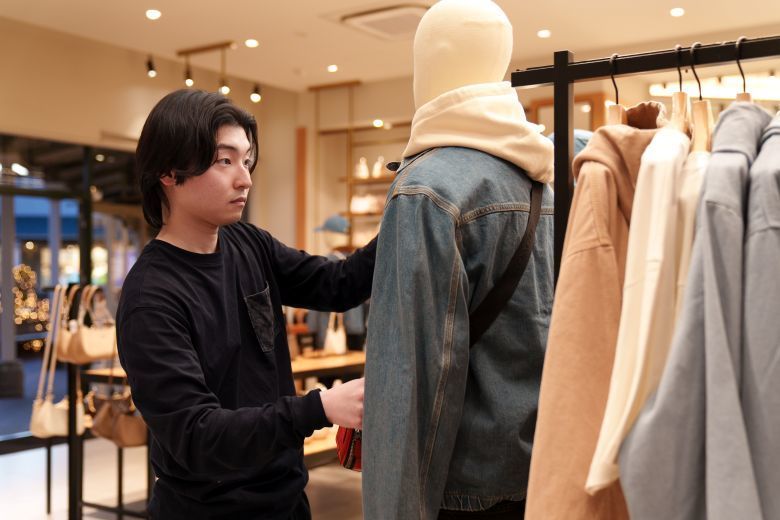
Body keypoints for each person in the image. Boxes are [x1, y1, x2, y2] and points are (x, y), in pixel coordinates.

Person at [116, 89, 375, 519]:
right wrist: (320, 407)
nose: (245, 179)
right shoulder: (151, 297)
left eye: (246, 161)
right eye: (225, 161)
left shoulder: (247, 243)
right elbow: (198, 436)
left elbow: (339, 285)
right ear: (168, 171)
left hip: (287, 500)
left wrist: (407, 210)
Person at [361, 0, 555, 518]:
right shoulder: (547, 179)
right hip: (542, 477)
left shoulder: (426, 190)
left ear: (430, 61)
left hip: (465, 491)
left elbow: (412, 381)